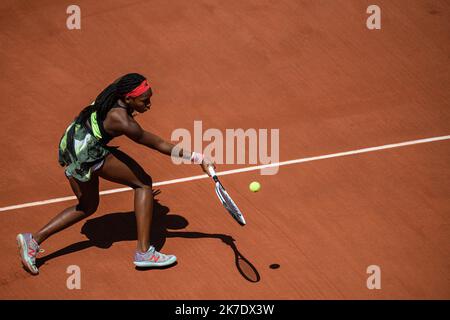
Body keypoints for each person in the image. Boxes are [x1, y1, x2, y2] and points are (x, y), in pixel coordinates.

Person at [16, 73, 214, 275]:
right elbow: (158, 144)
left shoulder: (115, 91)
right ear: (129, 99)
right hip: (88, 151)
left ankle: (32, 239)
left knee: (87, 206)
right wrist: (198, 157)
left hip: (73, 139)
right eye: (145, 101)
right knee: (143, 183)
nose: (149, 105)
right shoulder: (123, 121)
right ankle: (144, 253)